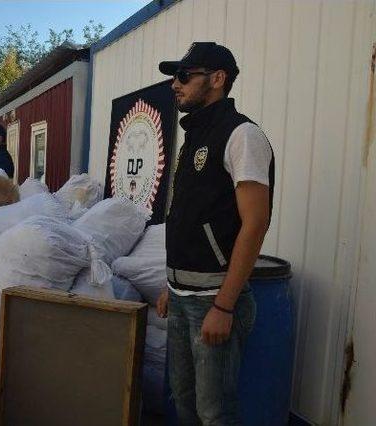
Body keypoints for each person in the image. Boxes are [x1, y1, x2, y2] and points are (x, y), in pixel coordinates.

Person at [156, 42, 274, 425]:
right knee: (184, 401)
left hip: (214, 302)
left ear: (218, 79)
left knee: (214, 412)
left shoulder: (242, 135)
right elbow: (192, 215)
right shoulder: (194, 136)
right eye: (176, 76)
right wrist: (171, 284)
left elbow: (255, 223)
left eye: (185, 76)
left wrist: (224, 306)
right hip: (182, 296)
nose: (176, 84)